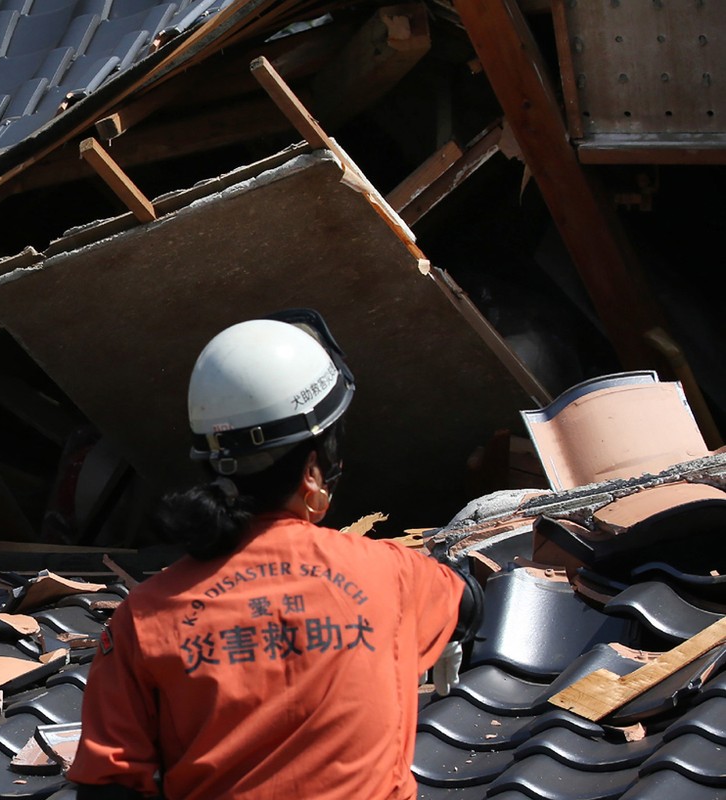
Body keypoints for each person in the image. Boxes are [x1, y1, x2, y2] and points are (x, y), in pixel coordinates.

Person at [67, 309, 483, 800]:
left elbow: (109, 786)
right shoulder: (390, 574)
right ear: (313, 470)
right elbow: (467, 602)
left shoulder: (145, 617)